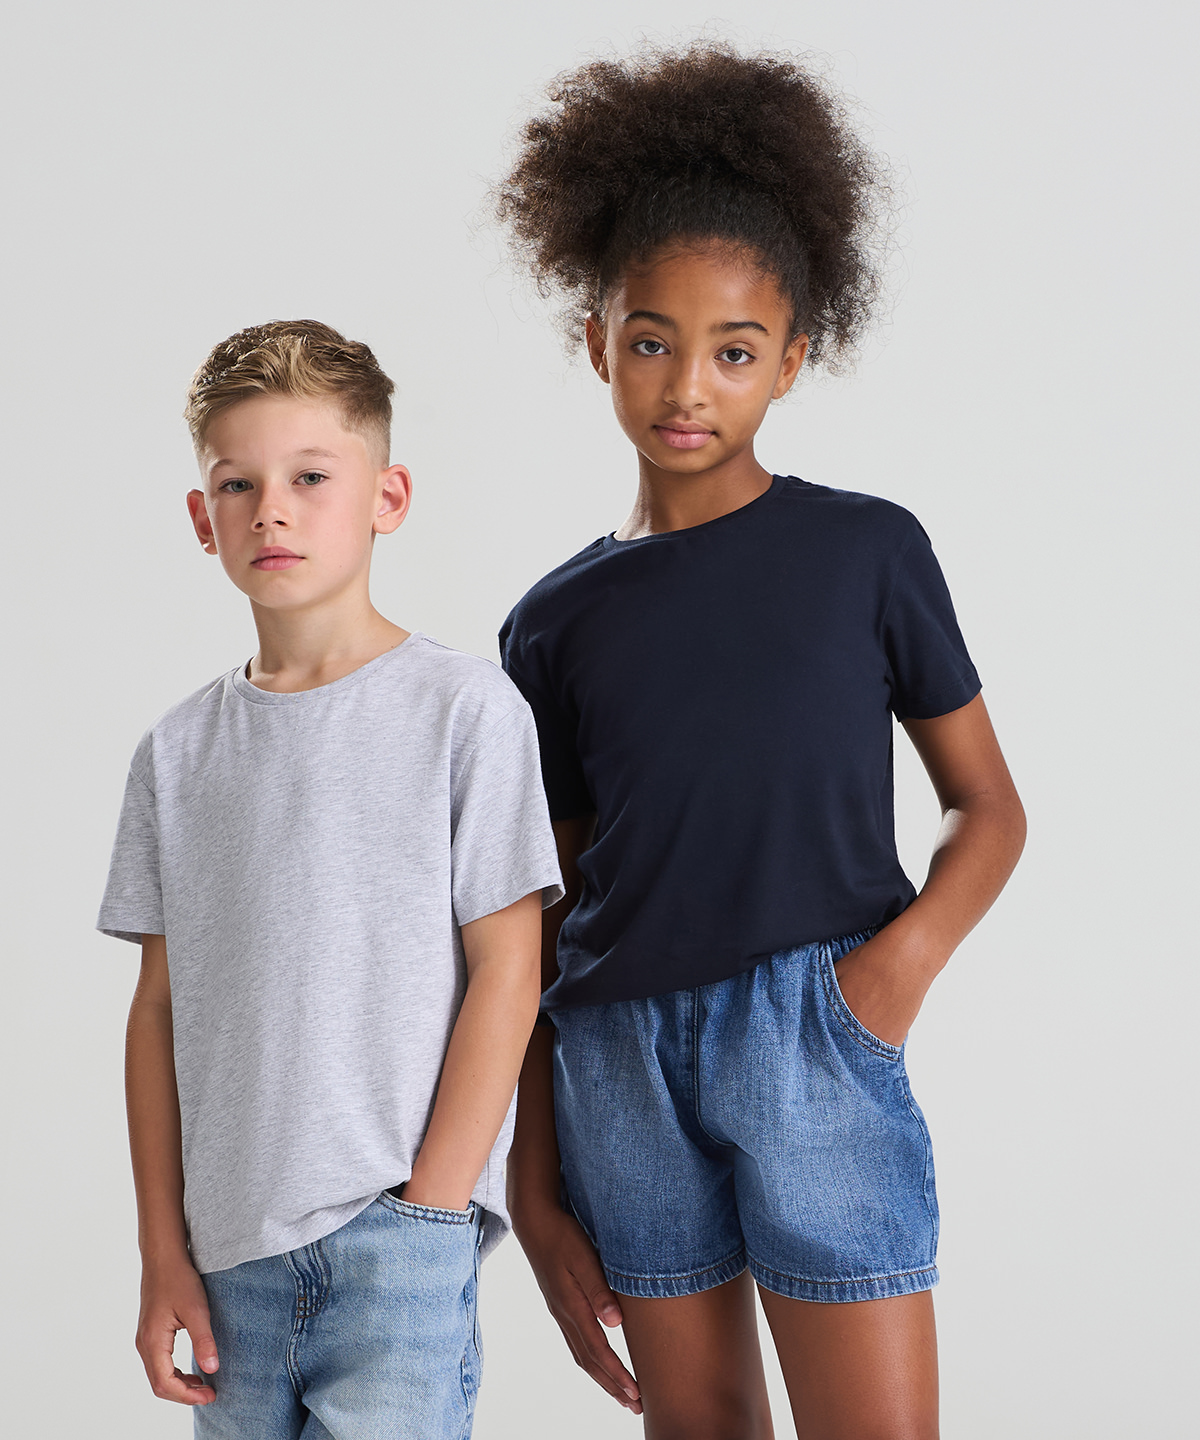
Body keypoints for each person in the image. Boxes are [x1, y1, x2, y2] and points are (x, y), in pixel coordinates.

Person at [495, 44, 1027, 1439]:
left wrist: (888, 979)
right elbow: (546, 912)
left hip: (816, 1034)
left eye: (734, 351)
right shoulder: (550, 623)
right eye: (651, 340)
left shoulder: (866, 552)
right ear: (596, 342)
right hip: (616, 1064)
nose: (689, 384)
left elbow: (988, 807)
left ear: (791, 361)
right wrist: (533, 1182)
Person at [96, 319, 562, 1439]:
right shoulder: (175, 753)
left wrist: (432, 1205)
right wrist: (164, 1249)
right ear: (202, 519)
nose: (274, 510)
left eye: (311, 477)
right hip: (227, 1265)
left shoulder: (464, 710)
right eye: (239, 484)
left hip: (394, 1242)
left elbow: (510, 968)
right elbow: (158, 1008)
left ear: (386, 497)